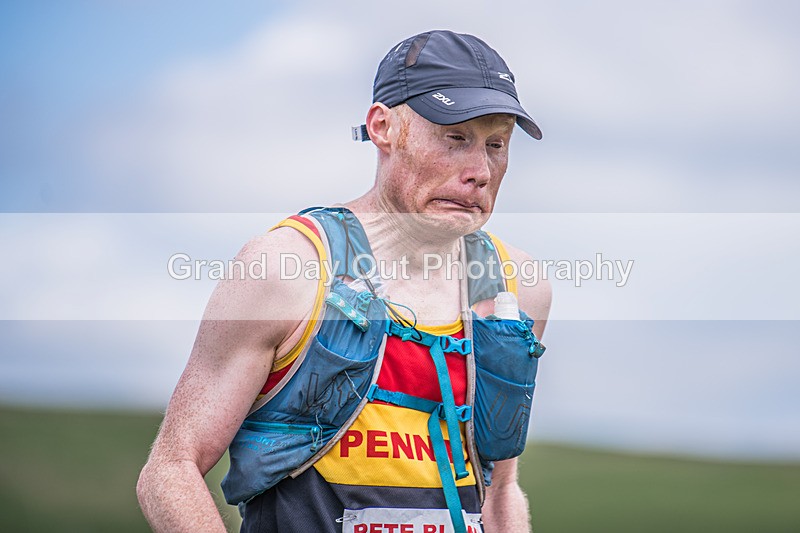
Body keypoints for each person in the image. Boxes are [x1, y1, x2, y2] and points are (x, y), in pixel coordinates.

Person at [137, 30, 552, 533]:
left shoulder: (513, 290)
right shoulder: (287, 267)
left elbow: (500, 489)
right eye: (455, 137)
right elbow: (171, 469)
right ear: (383, 128)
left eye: (496, 145)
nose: (480, 171)